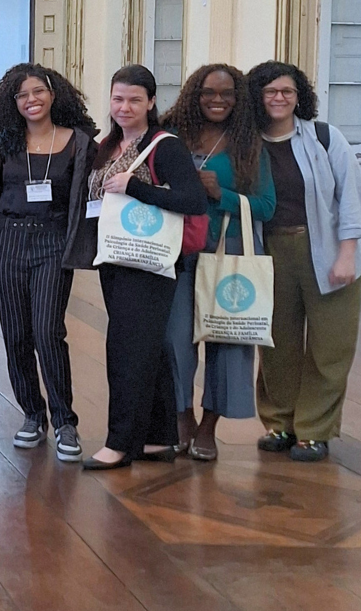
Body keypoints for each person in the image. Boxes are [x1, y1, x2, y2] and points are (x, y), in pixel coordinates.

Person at [83, 65, 207, 470]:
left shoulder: (165, 146)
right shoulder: (107, 145)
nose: (124, 107)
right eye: (118, 98)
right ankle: (157, 437)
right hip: (115, 257)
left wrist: (134, 186)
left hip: (150, 262)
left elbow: (193, 200)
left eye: (135, 99)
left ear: (151, 102)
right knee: (143, 350)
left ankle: (121, 442)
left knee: (126, 351)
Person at [248, 61, 361, 463]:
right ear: (257, 97)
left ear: (300, 97)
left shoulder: (324, 137)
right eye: (270, 92)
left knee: (329, 346)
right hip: (272, 253)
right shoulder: (248, 143)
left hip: (329, 253)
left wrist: (349, 252)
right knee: (276, 344)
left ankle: (314, 430)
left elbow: (351, 198)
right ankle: (279, 422)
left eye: (287, 92)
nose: (279, 99)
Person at [0, 64, 98, 462]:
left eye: (38, 92)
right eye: (22, 95)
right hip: (7, 240)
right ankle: (33, 414)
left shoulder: (79, 142)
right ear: (13, 103)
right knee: (16, 334)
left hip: (52, 242)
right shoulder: (4, 141)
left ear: (53, 94)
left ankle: (65, 421)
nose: (31, 100)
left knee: (48, 332)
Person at [161, 64, 273, 461]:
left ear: (239, 99)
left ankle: (209, 425)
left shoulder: (248, 144)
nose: (218, 100)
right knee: (174, 340)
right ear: (195, 93)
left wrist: (220, 192)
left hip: (229, 254)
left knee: (227, 341)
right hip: (178, 252)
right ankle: (181, 415)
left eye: (227, 94)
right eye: (209, 92)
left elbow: (266, 205)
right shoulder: (173, 133)